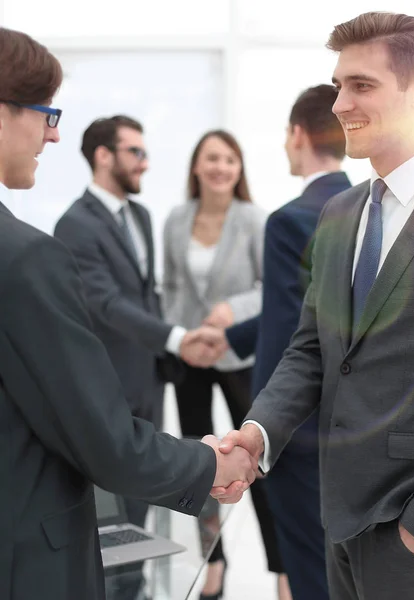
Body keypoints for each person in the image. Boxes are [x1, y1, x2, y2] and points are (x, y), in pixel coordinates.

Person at [0, 26, 255, 600]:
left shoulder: (140, 219)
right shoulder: (33, 251)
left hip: (138, 389)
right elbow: (106, 442)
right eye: (45, 113)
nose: (52, 133)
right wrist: (205, 463)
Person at [214, 11, 414, 600]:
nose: (340, 102)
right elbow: (311, 350)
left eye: (361, 85)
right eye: (339, 84)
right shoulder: (339, 214)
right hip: (339, 522)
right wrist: (256, 434)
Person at [54, 116, 224, 600]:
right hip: (107, 387)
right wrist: (175, 337)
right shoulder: (75, 224)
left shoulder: (142, 216)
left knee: (143, 511)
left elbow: (147, 295)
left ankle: (134, 592)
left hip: (147, 382)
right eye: (135, 152)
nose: (145, 163)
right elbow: (105, 303)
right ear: (104, 155)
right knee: (109, 522)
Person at [226, 84, 351, 599]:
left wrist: (263, 429)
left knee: (307, 566)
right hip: (350, 424)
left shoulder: (289, 219)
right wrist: (229, 335)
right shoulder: (364, 210)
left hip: (295, 436)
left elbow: (288, 339)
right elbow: (320, 314)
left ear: (298, 134)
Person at [162, 130, 284, 599]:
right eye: (212, 158)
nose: (220, 167)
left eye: (230, 160)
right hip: (192, 356)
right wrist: (185, 338)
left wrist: (229, 313)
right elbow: (170, 286)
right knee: (200, 464)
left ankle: (282, 570)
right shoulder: (176, 219)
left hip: (240, 356)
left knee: (256, 462)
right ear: (196, 166)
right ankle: (213, 563)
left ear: (239, 169)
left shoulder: (254, 219)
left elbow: (269, 286)